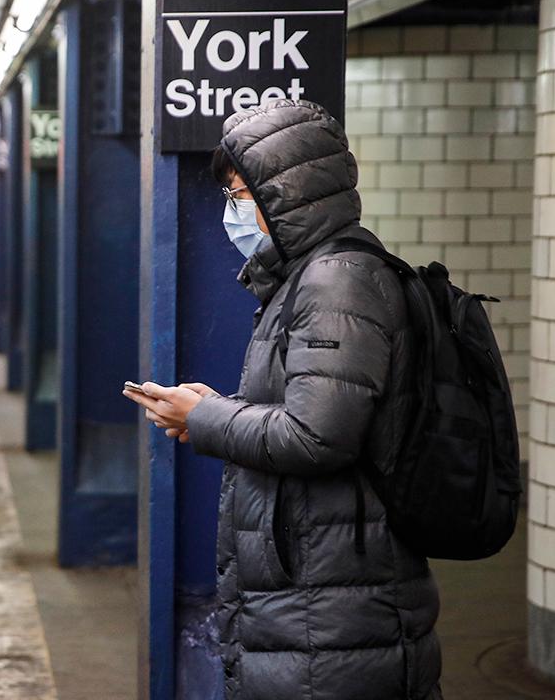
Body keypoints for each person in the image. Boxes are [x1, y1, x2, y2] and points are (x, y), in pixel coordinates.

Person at [124, 100, 441, 700]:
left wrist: (207, 418)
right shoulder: (310, 277)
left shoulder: (335, 281)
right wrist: (213, 409)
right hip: (319, 585)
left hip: (335, 595)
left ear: (289, 196)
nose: (232, 212)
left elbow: (319, 435)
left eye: (240, 195)